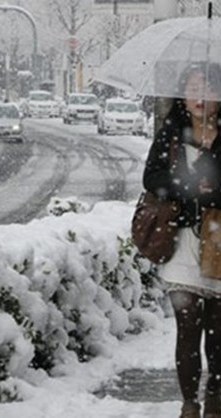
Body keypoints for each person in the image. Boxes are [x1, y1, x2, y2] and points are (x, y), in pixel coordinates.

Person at [143, 62, 221, 418]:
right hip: (183, 245)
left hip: (219, 243)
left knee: (218, 331)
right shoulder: (172, 132)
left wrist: (213, 191)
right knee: (188, 326)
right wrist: (187, 188)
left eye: (208, 89)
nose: (200, 97)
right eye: (193, 88)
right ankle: (189, 403)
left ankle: (216, 400)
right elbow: (152, 178)